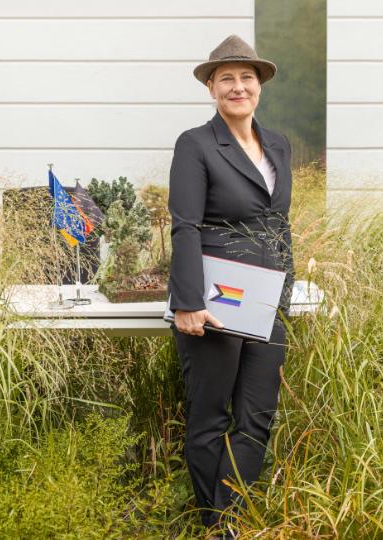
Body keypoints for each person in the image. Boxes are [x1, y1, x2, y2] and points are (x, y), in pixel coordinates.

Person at [166, 34, 295, 537]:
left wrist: (286, 290)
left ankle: (227, 523)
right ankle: (215, 524)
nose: (238, 87)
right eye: (227, 79)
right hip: (217, 303)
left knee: (257, 419)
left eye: (246, 77)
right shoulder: (195, 144)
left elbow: (278, 223)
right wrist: (189, 303)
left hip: (269, 302)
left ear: (259, 85)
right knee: (209, 419)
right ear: (211, 89)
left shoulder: (278, 144)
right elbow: (185, 226)